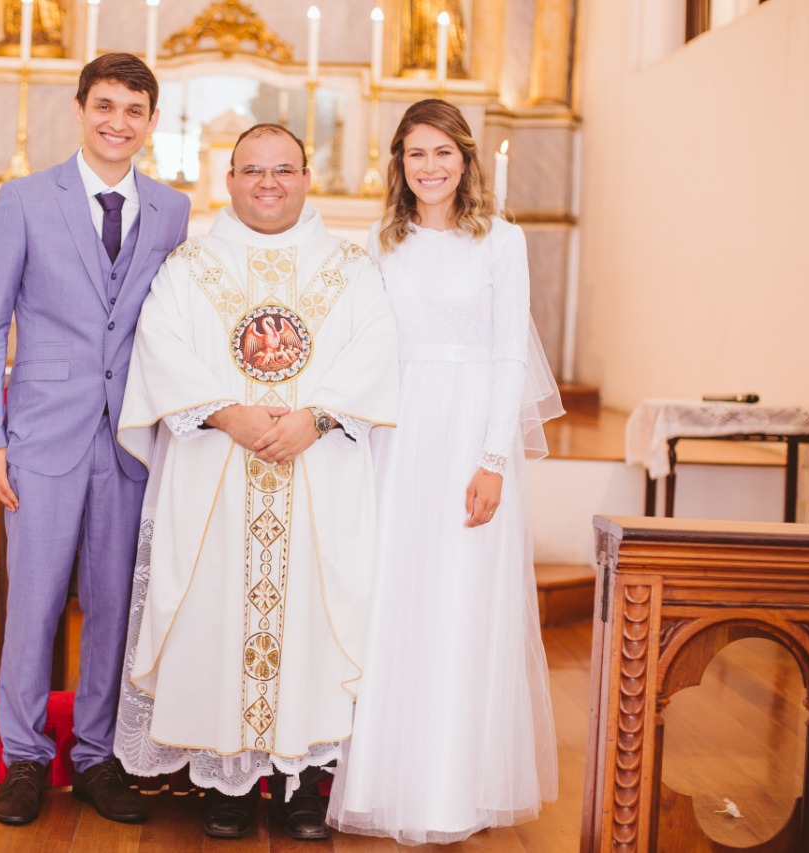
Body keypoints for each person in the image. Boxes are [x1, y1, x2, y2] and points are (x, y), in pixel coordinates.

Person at [112, 124, 399, 841]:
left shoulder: (350, 266)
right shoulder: (190, 264)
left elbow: (376, 348)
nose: (266, 182)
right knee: (214, 610)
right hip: (217, 467)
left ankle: (303, 782)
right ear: (229, 179)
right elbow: (161, 344)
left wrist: (319, 417)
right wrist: (228, 413)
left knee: (310, 614)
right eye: (251, 171)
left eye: (282, 170)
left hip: (318, 469)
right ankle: (228, 777)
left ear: (307, 178)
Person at [326, 99, 563, 845]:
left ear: (466, 158)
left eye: (442, 153)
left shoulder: (500, 241)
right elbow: (365, 346)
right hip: (401, 432)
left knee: (462, 600)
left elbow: (509, 354)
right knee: (399, 598)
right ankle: (389, 781)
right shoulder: (380, 240)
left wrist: (493, 459)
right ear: (398, 163)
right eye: (414, 154)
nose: (429, 167)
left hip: (468, 434)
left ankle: (455, 788)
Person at [0, 52, 191, 827]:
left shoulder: (173, 210)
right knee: (32, 600)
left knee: (113, 604)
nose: (117, 122)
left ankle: (95, 754)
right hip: (40, 431)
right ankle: (26, 756)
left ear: (152, 123)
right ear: (79, 109)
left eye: (134, 110)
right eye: (105, 106)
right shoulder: (26, 199)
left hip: (132, 436)